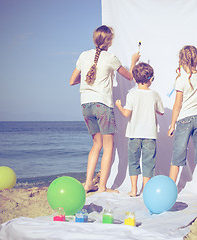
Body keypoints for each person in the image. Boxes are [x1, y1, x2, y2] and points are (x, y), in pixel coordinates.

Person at [69, 25, 140, 193]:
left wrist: (88, 78)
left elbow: (72, 81)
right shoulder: (111, 58)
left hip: (86, 105)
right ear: (109, 41)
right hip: (102, 105)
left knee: (96, 144)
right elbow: (130, 77)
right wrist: (133, 62)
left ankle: (87, 184)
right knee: (108, 147)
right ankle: (101, 187)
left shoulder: (83, 56)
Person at [115, 62, 164, 197]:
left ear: (135, 79)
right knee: (149, 163)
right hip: (150, 135)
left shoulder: (132, 94)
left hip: (134, 134)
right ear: (151, 79)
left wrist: (119, 105)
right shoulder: (154, 94)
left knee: (133, 162)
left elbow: (126, 114)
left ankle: (134, 190)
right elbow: (161, 112)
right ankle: (146, 191)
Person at [167, 45, 197, 196]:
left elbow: (177, 105)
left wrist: (172, 125)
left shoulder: (181, 80)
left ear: (181, 60)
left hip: (184, 120)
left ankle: (171, 190)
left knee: (177, 155)